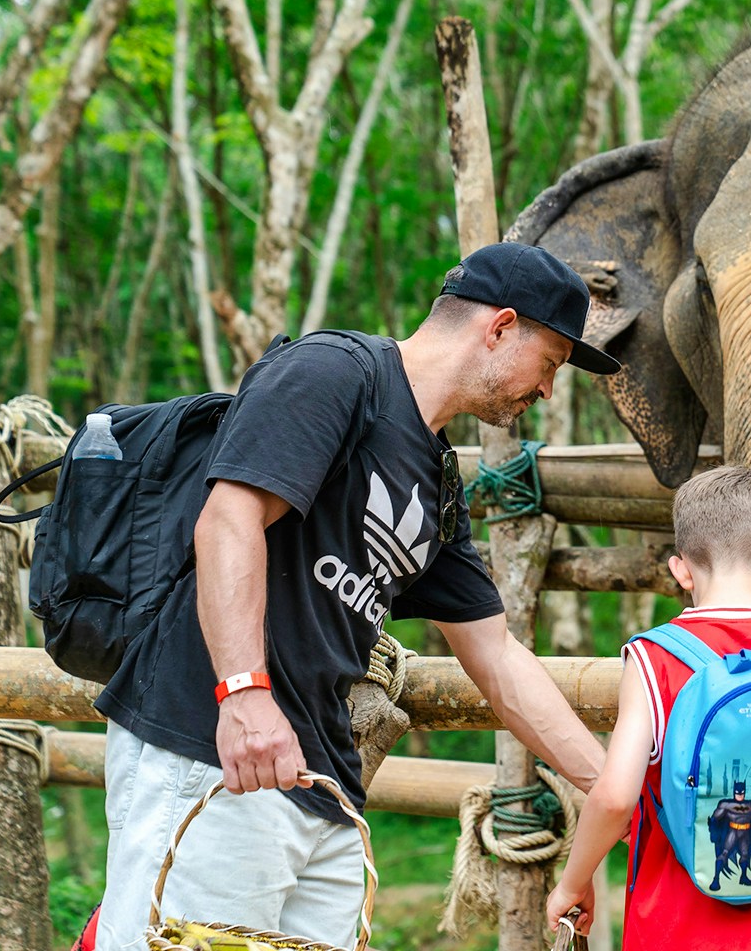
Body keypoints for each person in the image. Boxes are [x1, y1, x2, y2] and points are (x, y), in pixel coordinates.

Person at [91, 242, 619, 950]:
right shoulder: (337, 371)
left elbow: (495, 656)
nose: (548, 389)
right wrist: (244, 695)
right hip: (213, 750)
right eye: (550, 363)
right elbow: (228, 518)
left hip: (322, 785)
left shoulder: (437, 480)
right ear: (498, 328)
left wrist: (615, 787)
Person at [545, 464, 751, 949]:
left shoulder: (653, 658)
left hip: (680, 922)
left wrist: (572, 882)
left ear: (680, 569)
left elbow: (615, 797)